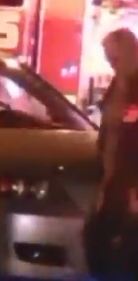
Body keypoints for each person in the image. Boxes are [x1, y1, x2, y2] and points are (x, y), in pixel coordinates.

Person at [85, 27, 138, 278]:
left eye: (114, 58)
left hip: (127, 177)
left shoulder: (134, 85)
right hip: (113, 174)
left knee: (106, 238)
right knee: (100, 237)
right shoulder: (119, 83)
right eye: (108, 58)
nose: (110, 63)